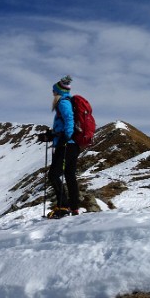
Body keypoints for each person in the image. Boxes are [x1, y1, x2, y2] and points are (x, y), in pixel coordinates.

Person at [47, 75, 81, 218]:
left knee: (53, 174)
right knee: (69, 175)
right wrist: (53, 134)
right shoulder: (68, 101)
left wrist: (66, 136)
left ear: (58, 91)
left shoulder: (63, 102)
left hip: (67, 143)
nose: (52, 93)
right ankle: (74, 207)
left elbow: (69, 119)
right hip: (73, 145)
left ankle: (63, 206)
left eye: (53, 90)